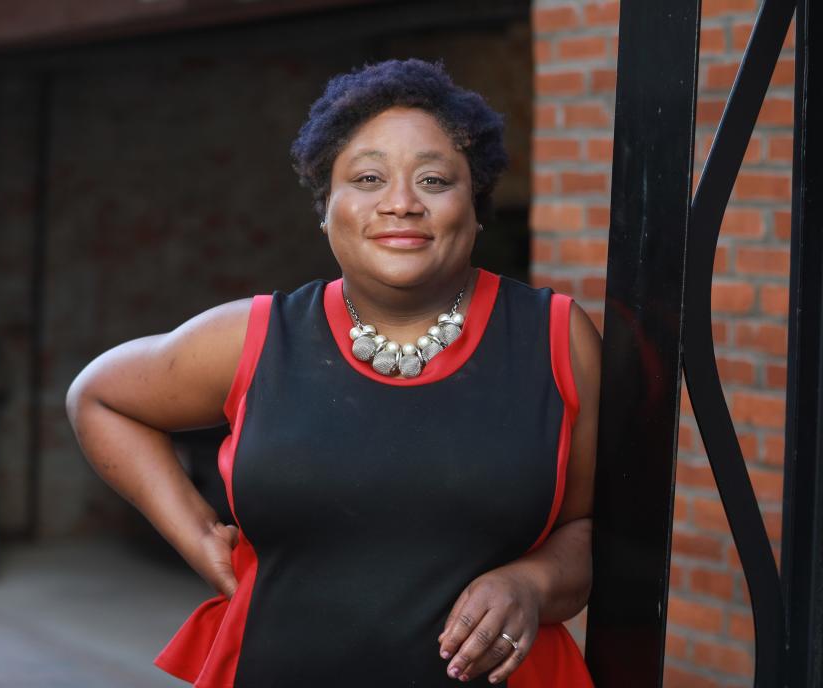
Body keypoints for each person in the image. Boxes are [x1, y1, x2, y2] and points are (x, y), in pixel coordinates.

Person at [66, 58, 601, 687]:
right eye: (369, 177)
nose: (401, 203)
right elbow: (98, 397)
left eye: (433, 179)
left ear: (477, 206)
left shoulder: (556, 339)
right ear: (327, 207)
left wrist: (531, 582)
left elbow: (585, 529)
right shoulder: (254, 338)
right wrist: (200, 536)